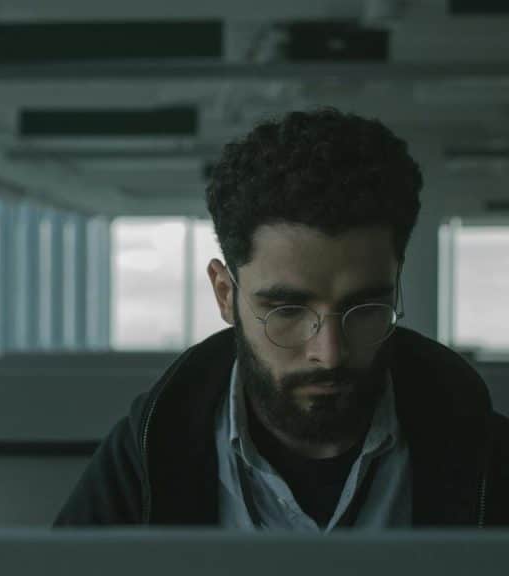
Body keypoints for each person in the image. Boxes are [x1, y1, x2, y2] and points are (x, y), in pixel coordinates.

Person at [55, 108, 509, 530]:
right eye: (288, 310)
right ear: (225, 294)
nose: (329, 353)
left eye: (364, 308)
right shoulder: (149, 452)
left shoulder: (489, 454)